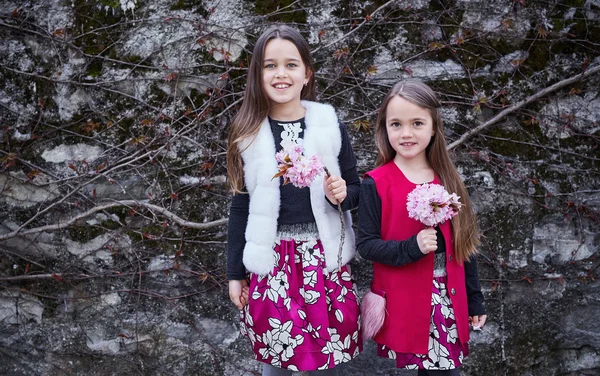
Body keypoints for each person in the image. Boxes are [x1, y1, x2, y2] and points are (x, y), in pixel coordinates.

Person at [225, 25, 362, 375]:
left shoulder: (329, 125)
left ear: (306, 73)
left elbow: (356, 191)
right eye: (270, 65)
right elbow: (241, 205)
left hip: (323, 262)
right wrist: (235, 273)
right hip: (273, 263)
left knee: (326, 358)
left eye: (291, 64)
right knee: (277, 356)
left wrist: (341, 195)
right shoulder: (248, 131)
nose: (280, 74)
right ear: (258, 74)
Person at [357, 80, 487, 375]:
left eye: (417, 123)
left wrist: (475, 299)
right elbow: (366, 245)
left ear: (433, 127)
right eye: (396, 124)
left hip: (447, 298)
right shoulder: (375, 183)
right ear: (384, 128)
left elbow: (465, 245)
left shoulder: (448, 179)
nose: (406, 133)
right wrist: (411, 247)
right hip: (406, 299)